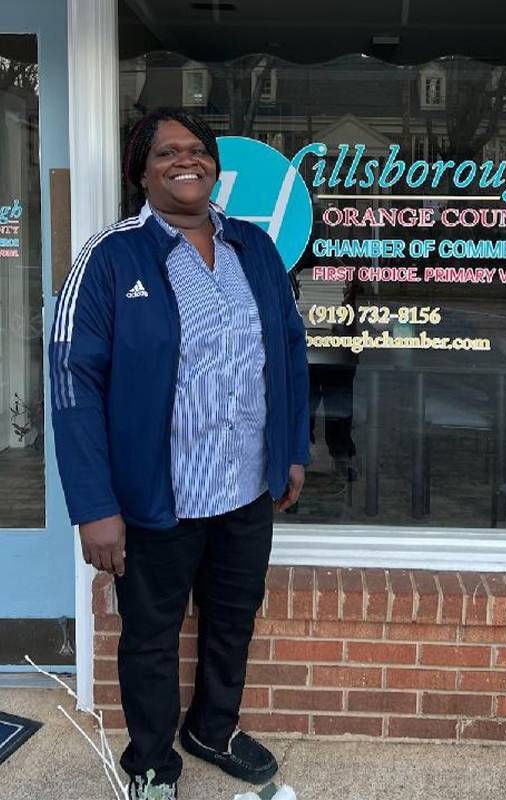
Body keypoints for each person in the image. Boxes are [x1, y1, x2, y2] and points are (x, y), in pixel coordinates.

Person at [49, 107, 310, 800]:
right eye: (166, 152)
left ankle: (213, 730)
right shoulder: (109, 259)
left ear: (214, 166)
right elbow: (73, 382)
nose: (185, 161)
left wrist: (289, 449)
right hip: (157, 497)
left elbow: (286, 350)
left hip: (245, 487)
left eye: (197, 150)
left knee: (232, 618)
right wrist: (95, 506)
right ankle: (152, 762)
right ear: (141, 169)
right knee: (151, 636)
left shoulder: (253, 249)